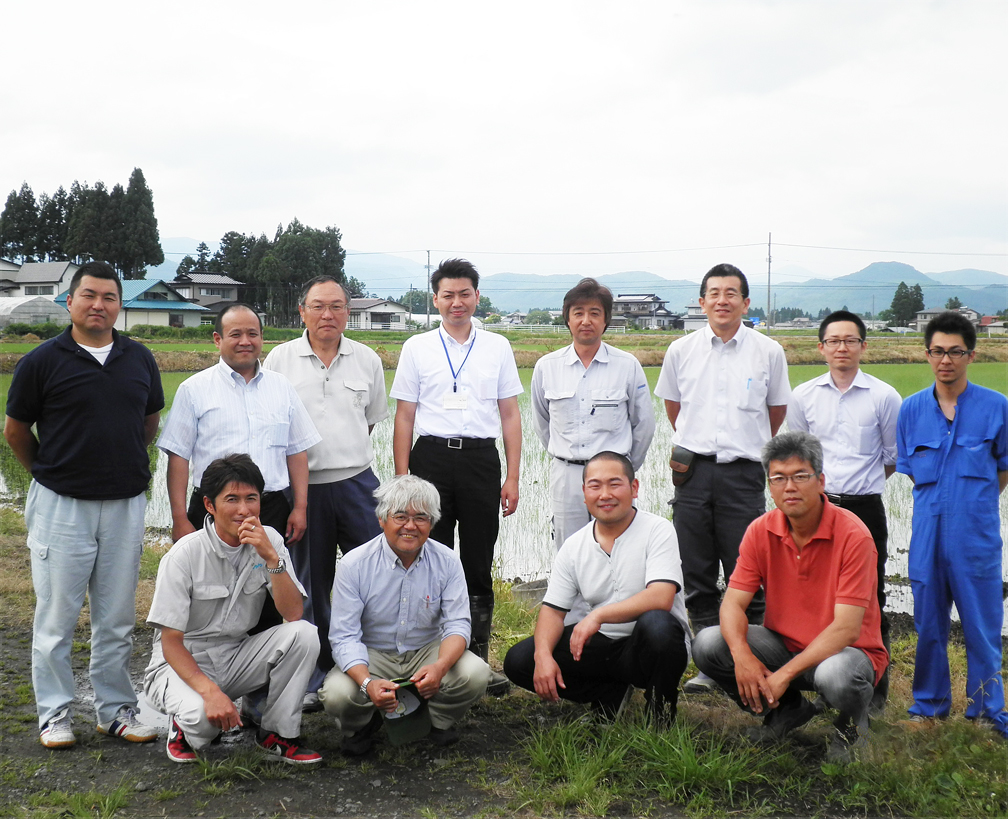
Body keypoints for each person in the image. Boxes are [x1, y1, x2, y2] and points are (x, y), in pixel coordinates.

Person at [4, 261, 164, 749]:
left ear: (120, 305)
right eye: (89, 296)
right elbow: (15, 431)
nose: (99, 305)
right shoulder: (42, 361)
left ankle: (115, 710)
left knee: (116, 618)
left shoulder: (139, 358)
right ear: (69, 301)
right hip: (62, 506)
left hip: (123, 506)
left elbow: (149, 423)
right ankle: (54, 715)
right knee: (56, 617)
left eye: (109, 297)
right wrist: (53, 475)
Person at [692, 431, 888, 763]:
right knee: (709, 644)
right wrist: (742, 656)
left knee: (836, 677)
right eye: (779, 478)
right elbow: (733, 604)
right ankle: (787, 711)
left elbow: (846, 630)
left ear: (821, 480)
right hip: (783, 644)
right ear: (769, 485)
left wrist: (782, 676)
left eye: (800, 476)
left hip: (845, 653)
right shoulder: (760, 530)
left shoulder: (853, 535)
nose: (790, 487)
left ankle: (851, 727)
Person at [654, 263, 790, 692]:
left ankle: (751, 656)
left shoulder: (769, 351)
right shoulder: (681, 350)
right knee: (695, 570)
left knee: (747, 570)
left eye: (731, 293)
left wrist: (742, 443)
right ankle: (711, 665)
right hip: (691, 471)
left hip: (744, 473)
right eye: (714, 293)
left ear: (746, 303)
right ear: (702, 302)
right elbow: (674, 409)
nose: (722, 300)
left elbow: (776, 412)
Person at [390, 258, 522, 696]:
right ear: (436, 299)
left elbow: (509, 414)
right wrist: (402, 480)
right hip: (431, 459)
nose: (456, 302)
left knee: (478, 560)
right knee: (429, 558)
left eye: (465, 294)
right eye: (448, 295)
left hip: (482, 460)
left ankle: (478, 662)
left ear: (477, 297)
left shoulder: (498, 347)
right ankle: (432, 658)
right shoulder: (417, 347)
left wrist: (513, 476)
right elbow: (404, 416)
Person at [143, 454, 322, 765]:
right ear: (209, 505)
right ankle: (184, 725)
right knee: (203, 726)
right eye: (232, 499)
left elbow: (293, 614)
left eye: (251, 498)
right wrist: (209, 692)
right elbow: (171, 643)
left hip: (235, 655)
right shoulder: (184, 555)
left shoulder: (271, 541)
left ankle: (277, 734)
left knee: (304, 635)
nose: (244, 509)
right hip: (181, 664)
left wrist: (271, 559)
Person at [263, 276, 388, 707]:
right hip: (303, 489)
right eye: (318, 306)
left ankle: (371, 665)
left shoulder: (367, 359)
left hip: (357, 483)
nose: (328, 315)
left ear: (348, 312)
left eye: (336, 306)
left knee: (372, 575)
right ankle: (315, 675)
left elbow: (369, 420)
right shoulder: (280, 359)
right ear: (303, 312)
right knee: (310, 582)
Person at [503, 452, 690, 725]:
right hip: (600, 646)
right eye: (595, 485)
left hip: (648, 645)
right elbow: (553, 611)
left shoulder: (658, 530)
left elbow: (661, 598)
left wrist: (598, 616)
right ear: (584, 492)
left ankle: (661, 711)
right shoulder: (574, 546)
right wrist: (543, 656)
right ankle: (609, 693)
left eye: (615, 484)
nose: (605, 494)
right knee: (520, 660)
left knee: (658, 624)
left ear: (633, 488)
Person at [896, 311, 1008, 738]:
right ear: (927, 355)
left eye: (956, 352)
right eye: (938, 351)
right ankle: (928, 706)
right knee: (928, 624)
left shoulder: (997, 408)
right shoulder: (911, 411)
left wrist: (970, 504)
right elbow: (910, 470)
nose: (947, 360)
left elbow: (1003, 468)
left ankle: (986, 710)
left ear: (970, 355)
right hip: (926, 534)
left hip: (976, 536)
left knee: (981, 625)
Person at [320, 475, 490, 754]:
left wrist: (439, 667)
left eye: (421, 518)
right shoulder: (354, 564)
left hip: (427, 651)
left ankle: (437, 721)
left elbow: (458, 625)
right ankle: (363, 724)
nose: (410, 526)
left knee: (476, 673)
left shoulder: (447, 561)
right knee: (337, 695)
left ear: (432, 524)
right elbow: (344, 636)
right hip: (373, 653)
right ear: (381, 519)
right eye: (400, 516)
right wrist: (367, 682)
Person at [787, 310, 901, 712]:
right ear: (821, 348)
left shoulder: (885, 396)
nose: (841, 347)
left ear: (862, 347)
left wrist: (858, 490)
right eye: (833, 341)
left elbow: (892, 456)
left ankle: (875, 690)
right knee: (812, 596)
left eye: (850, 340)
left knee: (872, 598)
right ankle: (819, 681)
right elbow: (797, 457)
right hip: (814, 509)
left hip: (865, 509)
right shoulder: (803, 396)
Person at [158, 303, 320, 547]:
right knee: (209, 582)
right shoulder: (193, 389)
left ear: (262, 338)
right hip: (213, 508)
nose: (245, 341)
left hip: (271, 510)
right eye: (235, 334)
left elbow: (297, 452)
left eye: (252, 334)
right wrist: (179, 518)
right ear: (217, 339)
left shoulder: (282, 387)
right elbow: (178, 457)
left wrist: (299, 508)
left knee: (270, 579)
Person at [531, 278, 655, 551]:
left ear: (606, 320)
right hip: (567, 476)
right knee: (570, 553)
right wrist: (564, 454)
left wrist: (624, 468)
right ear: (567, 318)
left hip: (614, 478)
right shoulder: (546, 367)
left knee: (622, 551)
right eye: (578, 313)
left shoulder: (627, 366)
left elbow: (644, 424)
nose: (586, 320)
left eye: (594, 313)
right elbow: (542, 423)